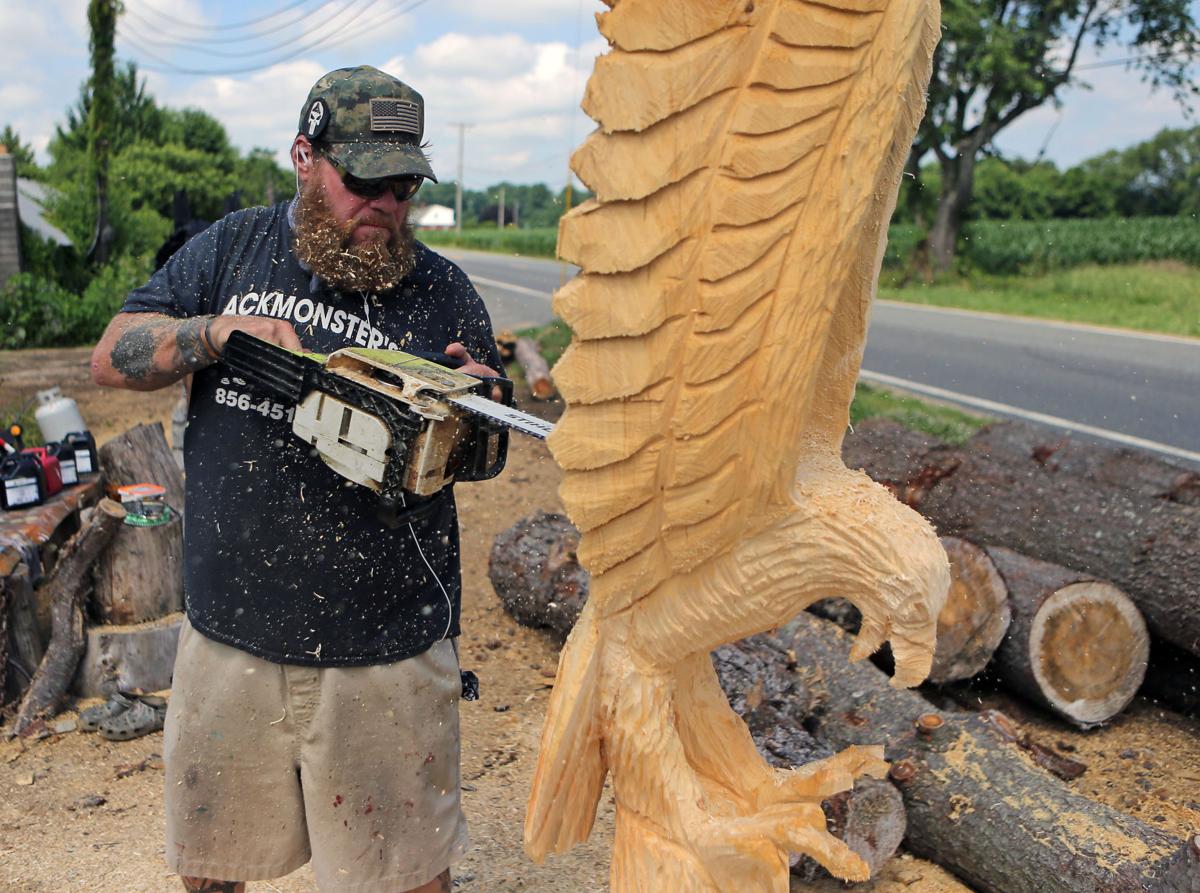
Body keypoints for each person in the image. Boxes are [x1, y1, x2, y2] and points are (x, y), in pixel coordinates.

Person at [91, 65, 503, 893]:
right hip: (228, 639)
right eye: (364, 181)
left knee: (405, 877)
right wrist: (213, 333)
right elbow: (110, 354)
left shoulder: (444, 293)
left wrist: (480, 413)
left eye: (403, 185)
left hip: (387, 651)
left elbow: (491, 456)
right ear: (304, 156)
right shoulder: (231, 249)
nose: (385, 205)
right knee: (213, 867)